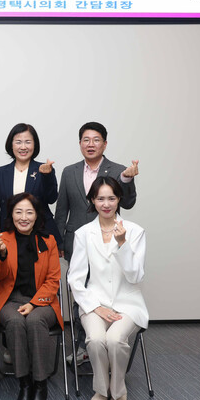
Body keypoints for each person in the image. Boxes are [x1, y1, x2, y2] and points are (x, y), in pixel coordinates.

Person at [55, 121, 139, 366]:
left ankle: (108, 343)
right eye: (86, 140)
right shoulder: (69, 172)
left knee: (107, 290)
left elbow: (129, 203)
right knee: (80, 292)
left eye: (96, 140)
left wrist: (127, 179)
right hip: (76, 241)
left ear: (105, 143)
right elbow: (62, 209)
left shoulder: (119, 170)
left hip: (109, 241)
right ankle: (85, 346)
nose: (90, 144)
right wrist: (60, 240)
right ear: (80, 143)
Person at [67, 177, 148, 400]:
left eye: (111, 198)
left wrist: (122, 244)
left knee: (115, 339)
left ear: (119, 199)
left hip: (128, 303)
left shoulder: (135, 231)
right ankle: (101, 390)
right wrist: (95, 307)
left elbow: (136, 276)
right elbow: (75, 278)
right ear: (92, 200)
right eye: (100, 198)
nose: (106, 204)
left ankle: (118, 390)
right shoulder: (83, 233)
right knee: (95, 340)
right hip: (95, 302)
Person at [0, 193, 63, 400]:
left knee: (35, 321)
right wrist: (1, 254)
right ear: (11, 215)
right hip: (10, 299)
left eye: (29, 212)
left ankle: (40, 385)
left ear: (36, 215)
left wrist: (33, 304)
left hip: (43, 301)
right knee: (14, 322)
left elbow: (53, 280)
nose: (24, 217)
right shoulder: (3, 239)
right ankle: (24, 384)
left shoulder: (48, 241)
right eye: (18, 212)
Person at [0, 123, 61, 246]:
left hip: (41, 234)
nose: (23, 147)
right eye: (18, 142)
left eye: (28, 142)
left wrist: (47, 176)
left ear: (35, 145)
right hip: (9, 234)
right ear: (11, 145)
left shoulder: (43, 169)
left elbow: (51, 199)